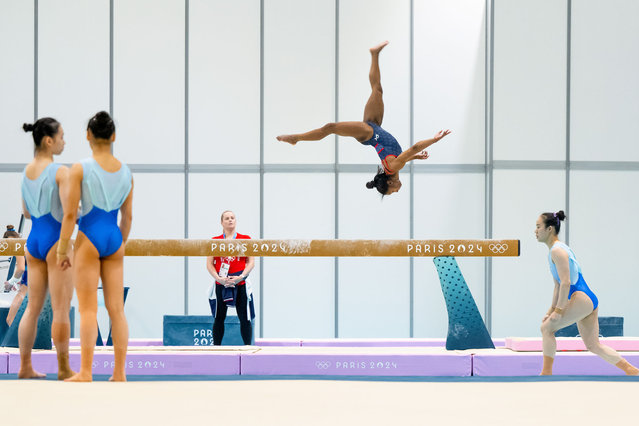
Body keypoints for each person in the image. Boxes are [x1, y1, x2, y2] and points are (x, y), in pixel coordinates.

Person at [277, 41, 451, 195]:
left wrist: (435, 140)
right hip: (375, 127)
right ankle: (374, 54)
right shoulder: (393, 168)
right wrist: (415, 158)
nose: (396, 191)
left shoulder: (394, 168)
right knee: (377, 90)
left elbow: (414, 147)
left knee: (330, 127)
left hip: (368, 133)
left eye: (391, 192)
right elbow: (405, 154)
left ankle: (297, 138)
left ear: (390, 182)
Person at [58, 111, 133, 382]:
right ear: (113, 136)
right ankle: (119, 373)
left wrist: (63, 247)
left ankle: (86, 371)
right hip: (113, 236)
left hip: (89, 235)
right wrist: (119, 245)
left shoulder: (80, 168)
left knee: (88, 308)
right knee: (117, 309)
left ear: (88, 135)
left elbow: (69, 215)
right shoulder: (126, 172)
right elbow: (128, 217)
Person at [536, 210, 638, 376]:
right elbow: (557, 285)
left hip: (580, 297)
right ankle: (631, 370)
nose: (535, 230)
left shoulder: (557, 251)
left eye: (538, 226)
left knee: (546, 329)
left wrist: (559, 310)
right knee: (593, 345)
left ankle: (546, 374)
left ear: (549, 229)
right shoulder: (556, 250)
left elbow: (566, 283)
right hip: (586, 298)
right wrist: (550, 311)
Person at [19, 118, 74, 379]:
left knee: (33, 307)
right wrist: (63, 247)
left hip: (34, 240)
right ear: (49, 140)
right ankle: (63, 368)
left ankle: (25, 367)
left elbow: (26, 212)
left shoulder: (26, 171)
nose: (65, 141)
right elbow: (70, 215)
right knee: (61, 308)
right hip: (55, 240)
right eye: (62, 136)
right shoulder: (60, 172)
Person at [206, 210, 254, 345]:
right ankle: (216, 347)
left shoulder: (245, 239)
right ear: (222, 222)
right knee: (219, 317)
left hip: (239, 282)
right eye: (227, 218)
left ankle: (247, 347)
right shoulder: (215, 241)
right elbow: (209, 264)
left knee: (244, 317)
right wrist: (218, 279)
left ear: (236, 221)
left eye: (232, 218)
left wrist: (242, 277)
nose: (230, 220)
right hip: (222, 282)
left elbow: (251, 262)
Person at [3, 225, 27, 326]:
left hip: (29, 286)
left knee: (10, 320)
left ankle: (23, 341)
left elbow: (21, 268)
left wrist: (10, 282)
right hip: (33, 283)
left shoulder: (17, 246)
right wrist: (18, 281)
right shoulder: (25, 246)